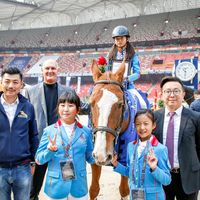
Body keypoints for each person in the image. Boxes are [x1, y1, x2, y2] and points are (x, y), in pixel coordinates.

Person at [25, 59, 91, 200]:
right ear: (42, 70)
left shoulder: (69, 91)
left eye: (53, 68)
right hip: (41, 146)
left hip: (64, 147)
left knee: (65, 184)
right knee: (33, 189)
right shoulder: (30, 91)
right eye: (47, 68)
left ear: (58, 71)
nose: (50, 71)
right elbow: (26, 120)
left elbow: (81, 108)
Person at [35, 91, 94, 200]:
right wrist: (49, 151)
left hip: (79, 187)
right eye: (62, 105)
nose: (66, 109)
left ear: (78, 109)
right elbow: (39, 159)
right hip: (56, 187)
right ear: (58, 108)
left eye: (70, 106)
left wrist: (99, 155)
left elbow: (90, 157)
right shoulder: (49, 131)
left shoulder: (86, 131)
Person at [152, 76, 200, 200]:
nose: (172, 95)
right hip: (161, 177)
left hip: (188, 178)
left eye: (176, 91)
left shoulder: (195, 117)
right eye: (167, 91)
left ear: (183, 94)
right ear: (162, 94)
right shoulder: (154, 117)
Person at [111, 109, 171, 200]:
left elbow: (167, 180)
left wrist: (155, 168)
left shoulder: (160, 149)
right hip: (134, 196)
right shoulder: (131, 147)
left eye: (146, 124)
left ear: (153, 125)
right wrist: (115, 164)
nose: (142, 127)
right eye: (138, 124)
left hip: (153, 197)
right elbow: (130, 173)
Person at [0, 67, 39, 200]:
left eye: (15, 82)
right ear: (1, 83)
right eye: (7, 81)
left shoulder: (28, 107)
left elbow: (33, 136)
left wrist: (32, 161)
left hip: (23, 168)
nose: (11, 86)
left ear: (21, 83)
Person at [106, 25, 148, 108]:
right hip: (112, 85)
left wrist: (127, 79)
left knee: (143, 105)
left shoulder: (133, 55)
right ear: (114, 40)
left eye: (122, 38)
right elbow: (107, 71)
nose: (119, 41)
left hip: (128, 87)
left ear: (127, 39)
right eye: (117, 39)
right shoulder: (109, 55)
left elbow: (137, 73)